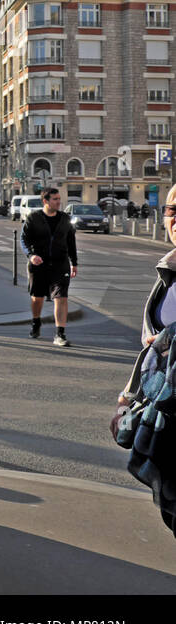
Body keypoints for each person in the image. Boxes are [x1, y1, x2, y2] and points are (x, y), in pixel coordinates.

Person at [111, 184, 176, 539]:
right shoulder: (167, 273)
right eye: (172, 210)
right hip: (166, 419)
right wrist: (127, 399)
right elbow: (150, 350)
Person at [21, 187, 78, 346]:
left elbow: (71, 242)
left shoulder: (65, 218)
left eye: (59, 199)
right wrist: (31, 256)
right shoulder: (34, 218)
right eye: (55, 199)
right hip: (39, 264)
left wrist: (74, 262)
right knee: (37, 298)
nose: (59, 202)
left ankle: (60, 334)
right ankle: (36, 321)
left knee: (61, 298)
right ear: (45, 201)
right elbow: (24, 240)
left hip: (60, 265)